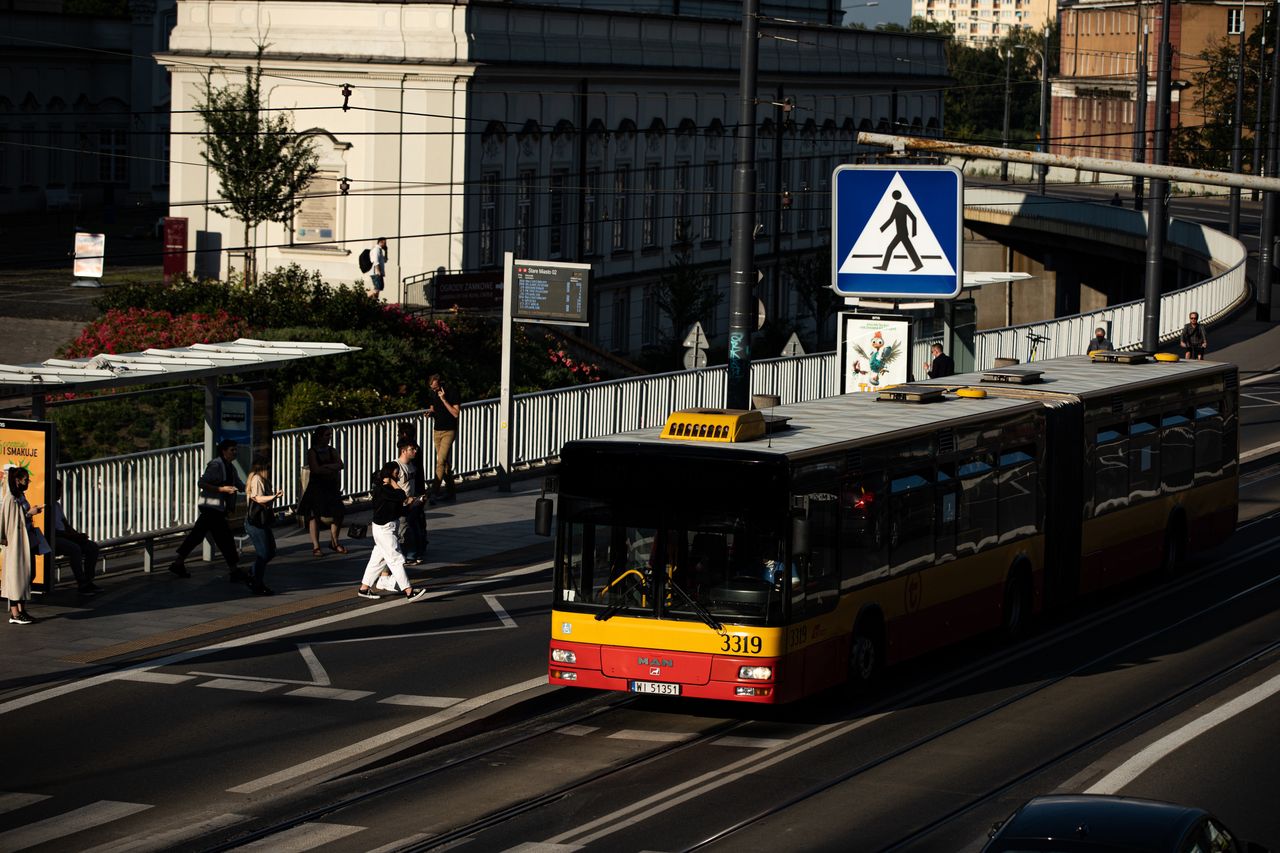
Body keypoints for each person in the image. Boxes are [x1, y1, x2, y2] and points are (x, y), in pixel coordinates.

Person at [169, 439, 245, 581]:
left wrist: (253, 490)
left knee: (197, 536)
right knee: (225, 539)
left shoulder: (230, 467)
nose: (235, 452)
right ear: (224, 451)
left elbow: (240, 484)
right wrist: (221, 489)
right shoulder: (216, 465)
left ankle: (178, 562)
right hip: (212, 508)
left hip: (216, 509)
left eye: (235, 449)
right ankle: (234, 570)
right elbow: (201, 483)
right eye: (232, 450)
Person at [357, 462, 428, 601]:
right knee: (396, 559)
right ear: (388, 474)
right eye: (396, 474)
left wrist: (415, 503)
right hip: (385, 530)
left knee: (377, 561)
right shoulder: (383, 489)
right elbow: (401, 495)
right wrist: (395, 484)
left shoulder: (388, 490)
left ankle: (364, 588)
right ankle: (409, 591)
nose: (398, 476)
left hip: (386, 528)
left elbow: (400, 510)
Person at [297, 426, 347, 557]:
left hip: (330, 485)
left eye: (330, 435)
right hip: (317, 486)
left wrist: (326, 466)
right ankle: (316, 545)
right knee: (314, 515)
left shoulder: (332, 450)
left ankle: (334, 541)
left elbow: (340, 465)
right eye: (326, 435)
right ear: (319, 436)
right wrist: (331, 468)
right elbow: (315, 469)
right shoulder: (312, 451)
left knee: (338, 513)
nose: (329, 437)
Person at [51, 479, 100, 597]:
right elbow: (53, 531)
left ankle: (89, 580)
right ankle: (81, 582)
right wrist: (71, 536)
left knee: (92, 547)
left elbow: (66, 524)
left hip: (66, 535)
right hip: (56, 538)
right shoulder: (47, 507)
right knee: (75, 549)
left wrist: (77, 535)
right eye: (58, 491)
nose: (60, 494)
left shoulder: (57, 505)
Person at [243, 455, 283, 596]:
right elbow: (257, 497)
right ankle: (256, 582)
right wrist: (274, 496)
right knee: (264, 554)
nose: (271, 470)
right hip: (256, 523)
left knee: (270, 551)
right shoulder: (257, 479)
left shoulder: (261, 479)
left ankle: (252, 574)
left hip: (261, 521)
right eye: (269, 468)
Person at [2, 466, 38, 625]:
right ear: (17, 480)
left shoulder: (18, 496)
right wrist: (30, 513)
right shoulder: (10, 499)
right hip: (16, 542)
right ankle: (15, 613)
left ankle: (22, 610)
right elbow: (12, 522)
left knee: (26, 575)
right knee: (16, 576)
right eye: (25, 480)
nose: (27, 483)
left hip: (25, 540)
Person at [426, 374, 461, 502]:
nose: (434, 391)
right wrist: (430, 413)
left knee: (440, 461)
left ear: (440, 384)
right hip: (437, 431)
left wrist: (444, 399)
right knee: (445, 464)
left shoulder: (452, 392)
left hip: (449, 430)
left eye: (436, 388)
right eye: (432, 389)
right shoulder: (432, 393)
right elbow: (433, 408)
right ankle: (451, 493)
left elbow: (456, 413)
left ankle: (434, 492)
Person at [396, 438, 428, 565]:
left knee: (414, 529)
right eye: (412, 449)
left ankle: (414, 554)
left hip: (413, 503)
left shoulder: (412, 466)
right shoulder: (396, 466)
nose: (415, 451)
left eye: (415, 449)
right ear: (403, 451)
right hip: (402, 505)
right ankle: (408, 555)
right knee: (404, 531)